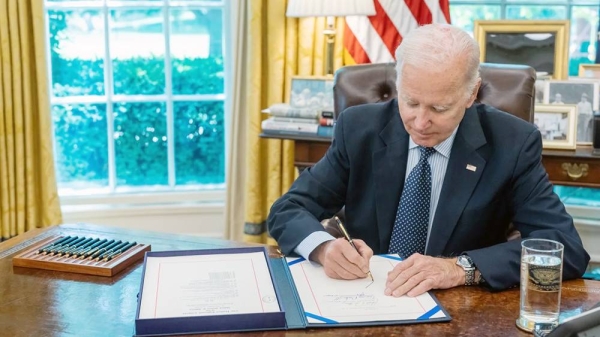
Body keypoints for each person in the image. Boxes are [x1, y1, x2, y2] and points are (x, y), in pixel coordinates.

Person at [267, 24, 589, 297]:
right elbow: (288, 209)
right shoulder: (359, 129)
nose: (420, 122)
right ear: (399, 84)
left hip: (457, 312)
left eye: (439, 108)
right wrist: (323, 248)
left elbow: (565, 249)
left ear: (471, 93)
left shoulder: (512, 144)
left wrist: (459, 269)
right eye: (410, 101)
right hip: (365, 300)